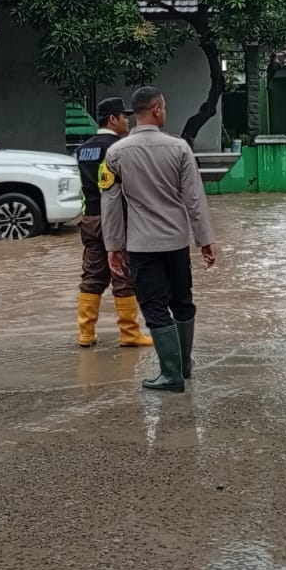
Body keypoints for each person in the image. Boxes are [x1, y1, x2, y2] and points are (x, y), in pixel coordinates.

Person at [101, 86, 216, 393]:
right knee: (182, 301)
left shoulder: (115, 153)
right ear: (156, 110)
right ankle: (184, 365)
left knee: (153, 306)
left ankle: (171, 373)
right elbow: (194, 199)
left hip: (142, 244)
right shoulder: (180, 148)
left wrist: (113, 246)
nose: (165, 112)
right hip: (176, 242)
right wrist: (205, 240)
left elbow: (111, 204)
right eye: (164, 108)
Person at [74, 97, 149, 348]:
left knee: (92, 275)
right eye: (124, 117)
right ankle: (129, 334)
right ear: (112, 119)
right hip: (117, 218)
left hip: (90, 218)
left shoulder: (83, 149)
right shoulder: (120, 148)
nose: (127, 122)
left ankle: (86, 333)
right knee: (123, 274)